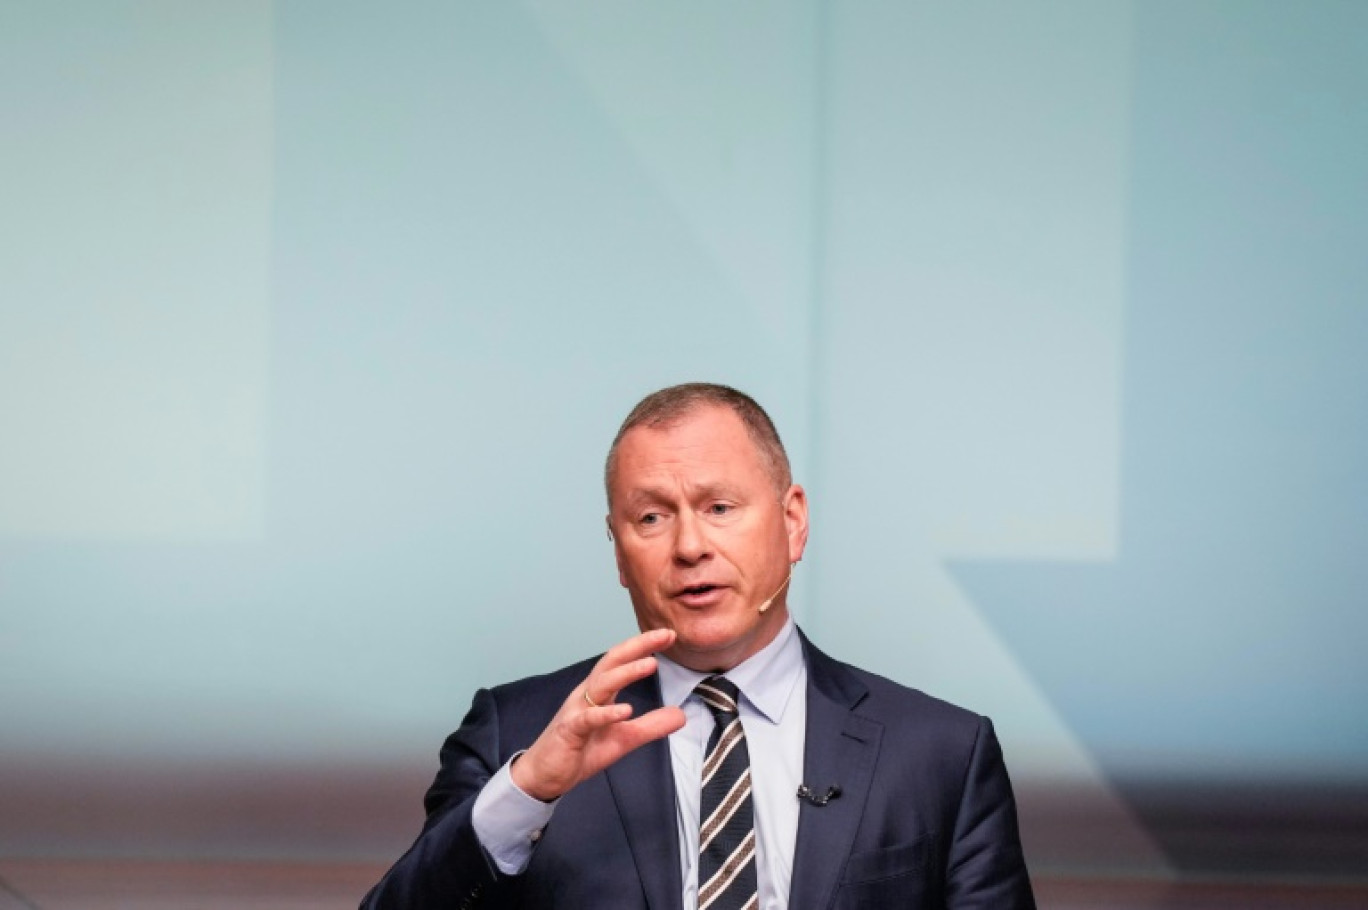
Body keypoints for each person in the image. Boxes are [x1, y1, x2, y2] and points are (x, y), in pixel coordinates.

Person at [362, 383, 1035, 909]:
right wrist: (529, 791)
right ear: (620, 553)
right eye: (651, 517)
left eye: (719, 507)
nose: (689, 547)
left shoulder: (942, 753)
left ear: (792, 522)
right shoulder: (518, 733)